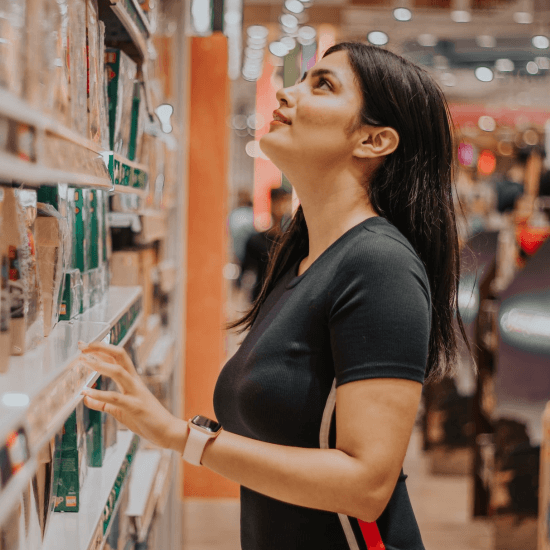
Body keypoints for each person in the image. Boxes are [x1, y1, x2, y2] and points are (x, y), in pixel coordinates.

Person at [79, 42, 473, 550]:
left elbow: (367, 485)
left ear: (374, 140)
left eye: (322, 84)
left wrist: (183, 437)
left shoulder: (380, 267)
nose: (287, 92)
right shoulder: (301, 260)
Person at [241, 186, 292, 302]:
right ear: (272, 202)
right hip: (261, 299)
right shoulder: (255, 241)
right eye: (279, 200)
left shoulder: (293, 242)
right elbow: (247, 274)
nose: (282, 206)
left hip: (285, 299)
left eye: (285, 201)